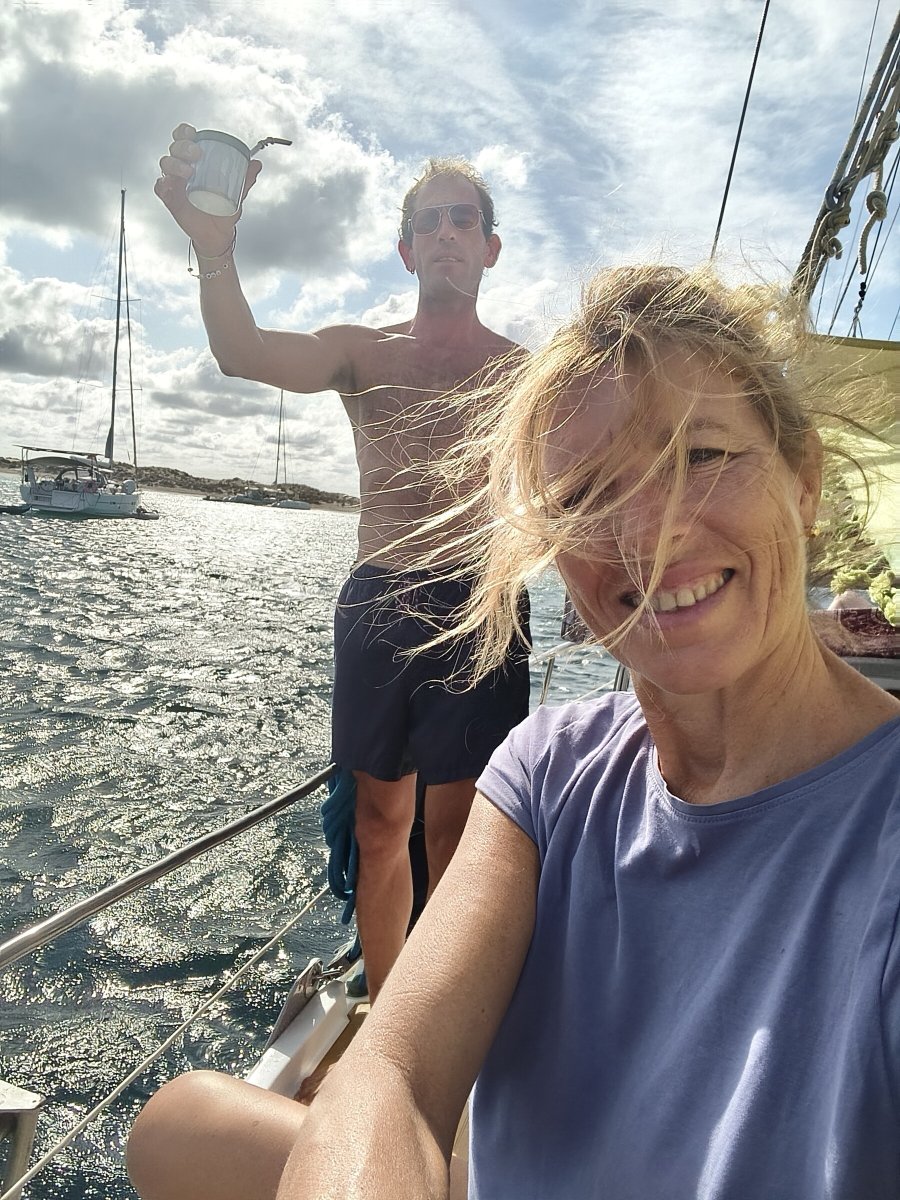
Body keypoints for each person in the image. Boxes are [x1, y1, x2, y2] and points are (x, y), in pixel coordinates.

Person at [128, 263, 900, 1200]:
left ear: (804, 479)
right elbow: (394, 1077)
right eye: (583, 494)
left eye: (701, 455)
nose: (648, 531)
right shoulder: (551, 766)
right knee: (175, 1126)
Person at [154, 126, 531, 1002]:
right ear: (405, 249)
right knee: (378, 819)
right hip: (377, 601)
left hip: (478, 605)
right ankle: (385, 1013)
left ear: (490, 247)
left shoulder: (523, 373)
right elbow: (240, 353)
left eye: (462, 220)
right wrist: (216, 250)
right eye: (429, 221)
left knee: (456, 826)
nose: (446, 232)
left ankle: (443, 1014)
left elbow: (590, 468)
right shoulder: (365, 352)